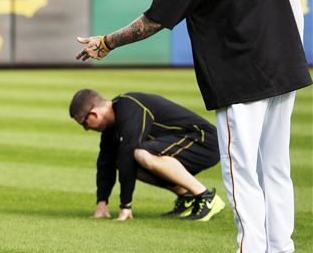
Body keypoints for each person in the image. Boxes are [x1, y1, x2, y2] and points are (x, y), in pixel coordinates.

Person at [75, 0, 311, 253]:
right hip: (286, 71)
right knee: (275, 169)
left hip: (240, 80)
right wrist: (293, 58)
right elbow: (295, 2)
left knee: (241, 175)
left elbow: (153, 20)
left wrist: (106, 43)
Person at [69, 89, 224, 222]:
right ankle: (187, 198)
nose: (86, 129)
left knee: (140, 154)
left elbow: (128, 156)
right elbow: (105, 163)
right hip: (186, 145)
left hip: (205, 141)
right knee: (123, 161)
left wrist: (125, 205)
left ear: (94, 114)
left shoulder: (128, 107)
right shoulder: (111, 127)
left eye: (84, 123)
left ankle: (206, 197)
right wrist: (101, 203)